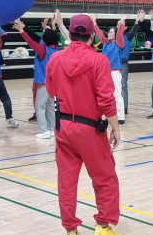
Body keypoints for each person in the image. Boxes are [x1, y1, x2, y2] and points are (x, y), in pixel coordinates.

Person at [45, 13, 121, 235]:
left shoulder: (55, 59)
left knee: (66, 182)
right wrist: (115, 127)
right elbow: (106, 100)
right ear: (91, 37)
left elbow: (50, 91)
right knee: (105, 178)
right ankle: (103, 226)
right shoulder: (99, 60)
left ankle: (71, 230)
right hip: (90, 130)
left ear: (70, 35)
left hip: (63, 127)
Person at [13, 18, 60, 138]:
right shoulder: (57, 50)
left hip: (43, 84)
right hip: (54, 84)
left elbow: (30, 41)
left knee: (39, 107)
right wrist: (52, 26)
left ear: (45, 40)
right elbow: (53, 36)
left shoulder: (42, 50)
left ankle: (44, 131)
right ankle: (52, 129)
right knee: (50, 107)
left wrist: (21, 30)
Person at [94, 14, 127, 125]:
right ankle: (106, 115)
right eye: (109, 32)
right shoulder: (106, 44)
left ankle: (121, 117)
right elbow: (99, 34)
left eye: (112, 32)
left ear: (116, 34)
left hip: (115, 72)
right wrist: (94, 23)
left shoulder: (118, 44)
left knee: (117, 94)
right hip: (105, 73)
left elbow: (120, 34)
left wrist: (122, 22)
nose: (109, 33)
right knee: (105, 95)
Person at [120, 9, 143, 114]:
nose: (120, 26)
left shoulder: (128, 36)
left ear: (125, 28)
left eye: (122, 24)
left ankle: (124, 107)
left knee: (123, 85)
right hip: (113, 64)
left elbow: (134, 30)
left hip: (123, 64)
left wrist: (137, 21)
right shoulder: (114, 36)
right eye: (119, 24)